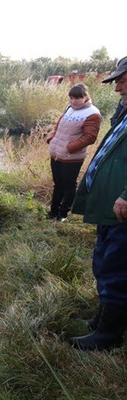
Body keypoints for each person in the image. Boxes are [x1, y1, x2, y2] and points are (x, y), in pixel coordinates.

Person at [69, 56, 127, 351]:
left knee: (117, 265)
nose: (118, 88)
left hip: (122, 208)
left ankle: (109, 336)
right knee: (104, 260)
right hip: (110, 207)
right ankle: (102, 320)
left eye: (123, 80)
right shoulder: (125, 112)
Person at [46, 83, 102, 222]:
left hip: (72, 157)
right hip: (57, 154)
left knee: (69, 186)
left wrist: (70, 147)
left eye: (77, 98)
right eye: (71, 98)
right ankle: (53, 212)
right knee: (57, 184)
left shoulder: (92, 113)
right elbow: (59, 125)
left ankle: (63, 214)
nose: (73, 101)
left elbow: (90, 137)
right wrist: (52, 136)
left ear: (86, 97)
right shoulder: (69, 108)